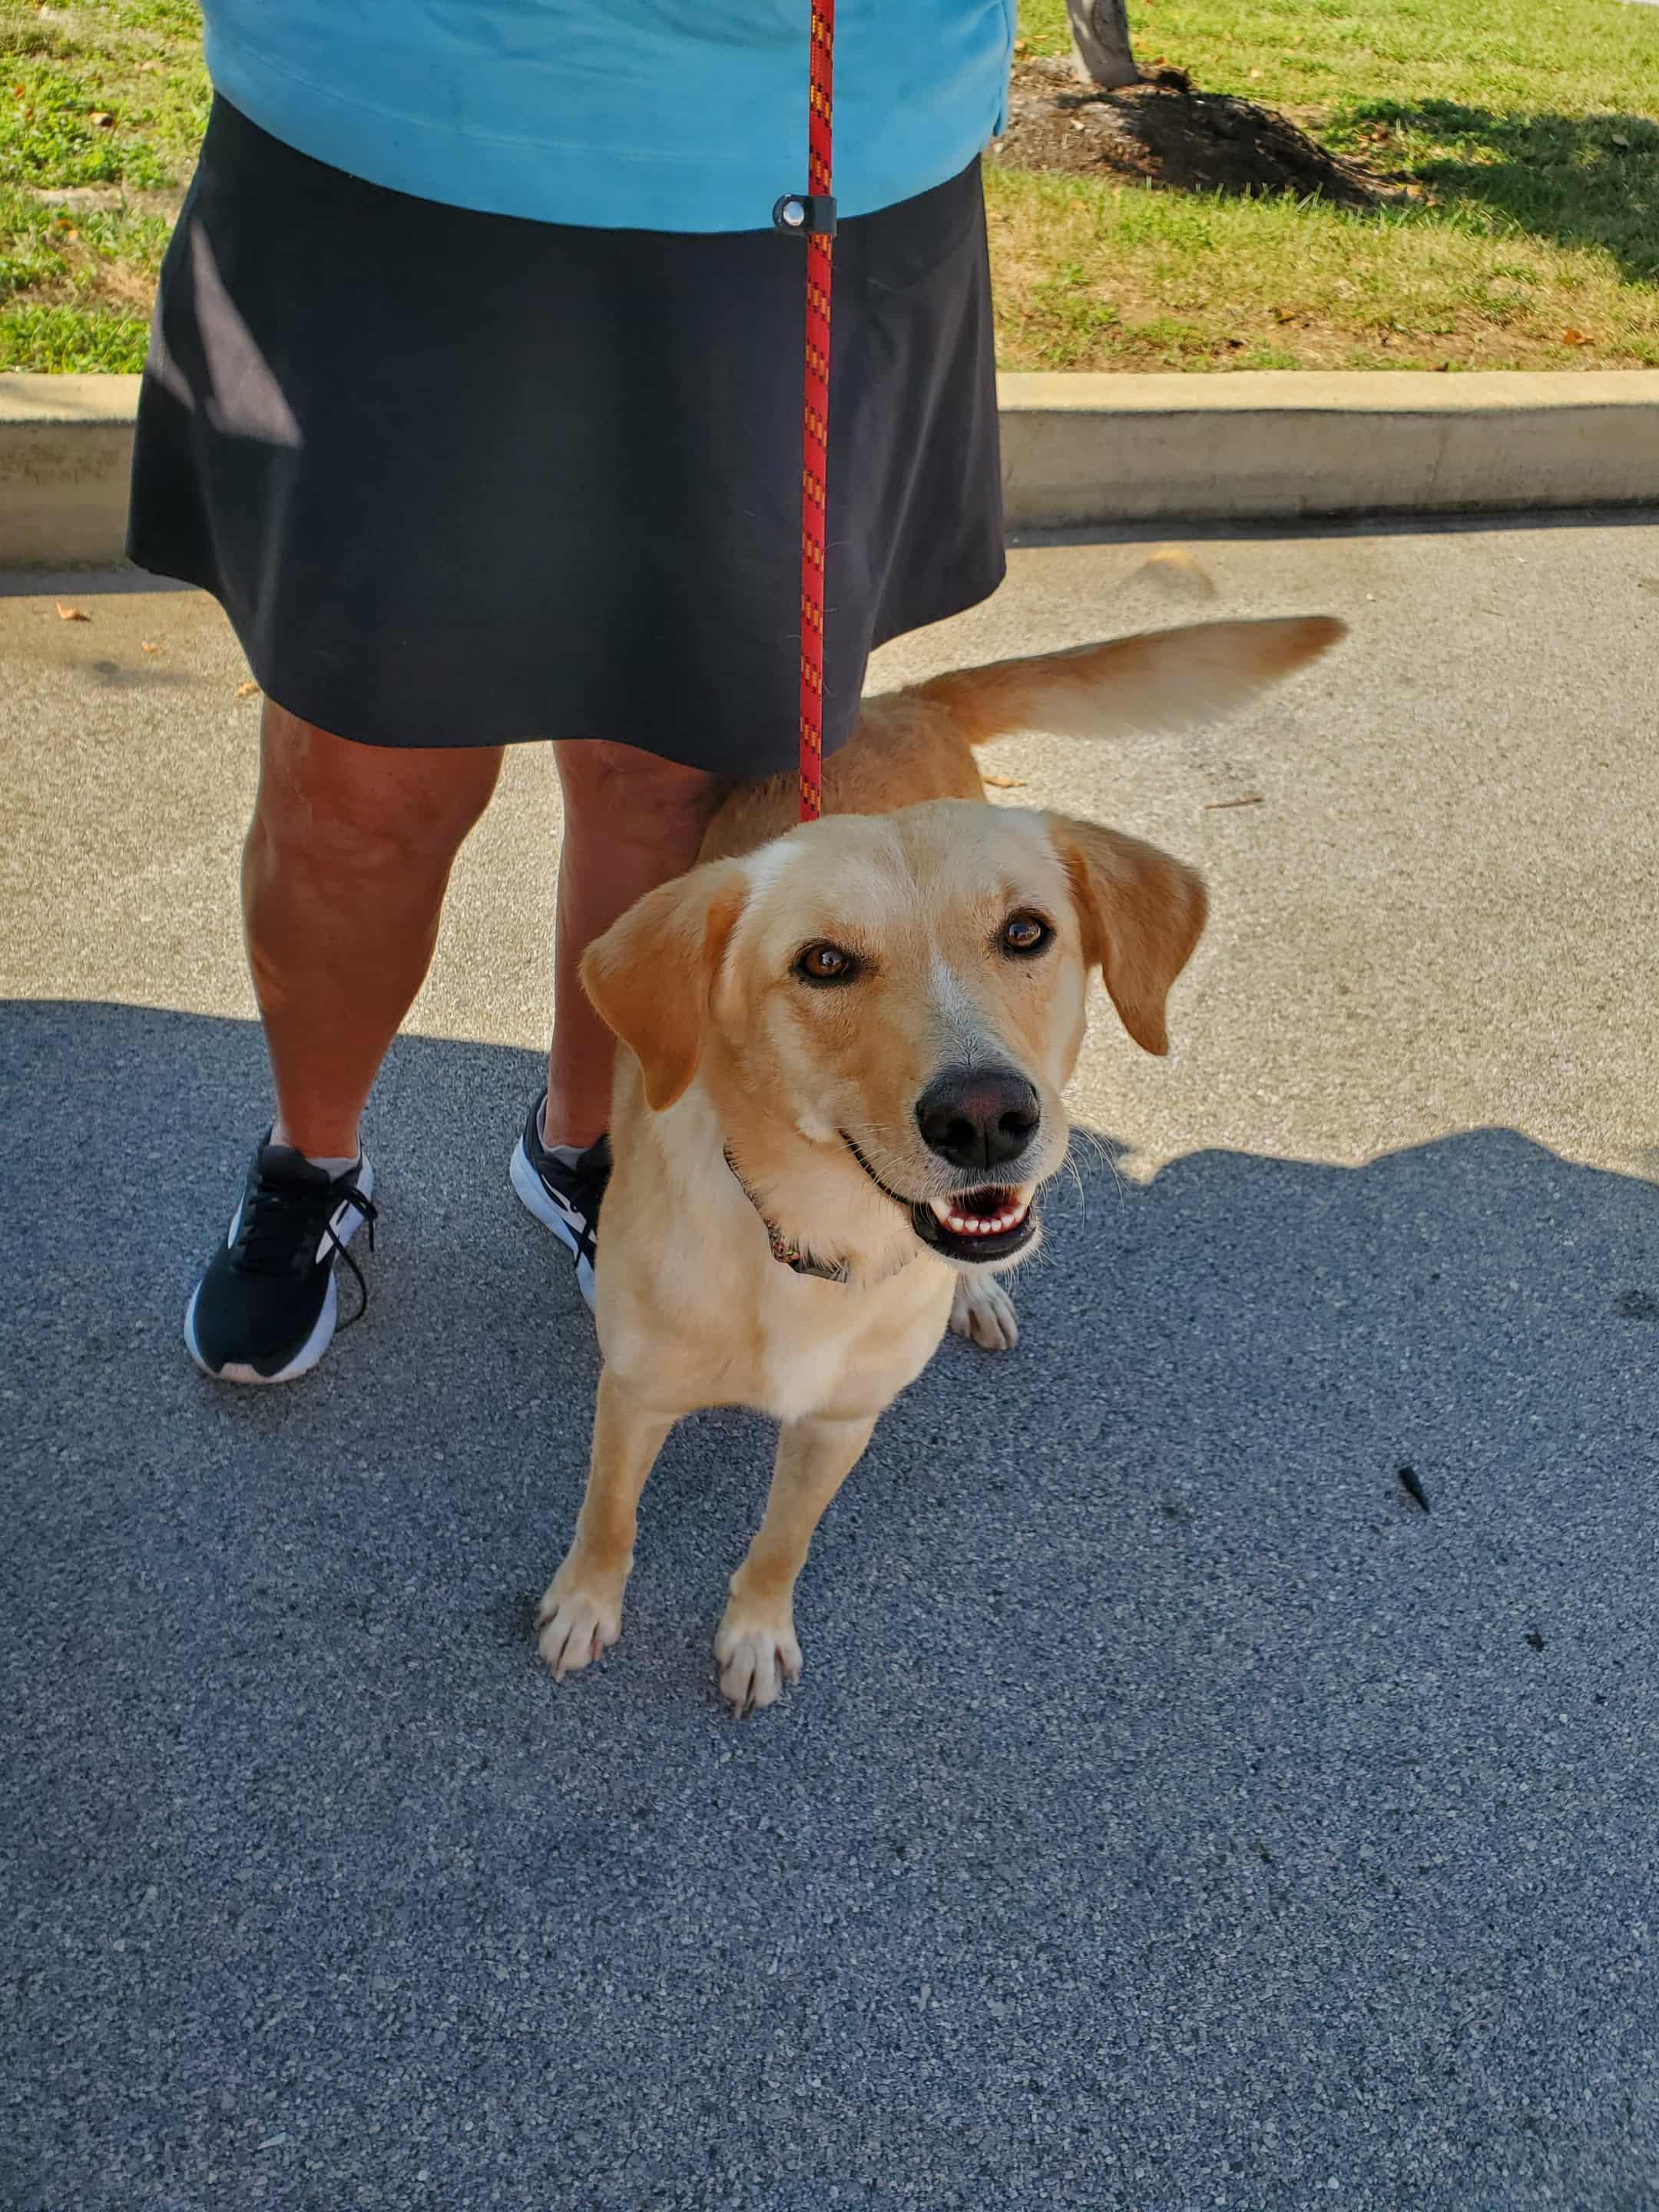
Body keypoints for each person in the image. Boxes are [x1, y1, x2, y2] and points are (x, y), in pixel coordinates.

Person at [131, 0, 1013, 1385]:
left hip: (797, 162)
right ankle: (314, 1160)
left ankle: (587, 1149)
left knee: (662, 772)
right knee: (360, 779)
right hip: (391, 144)